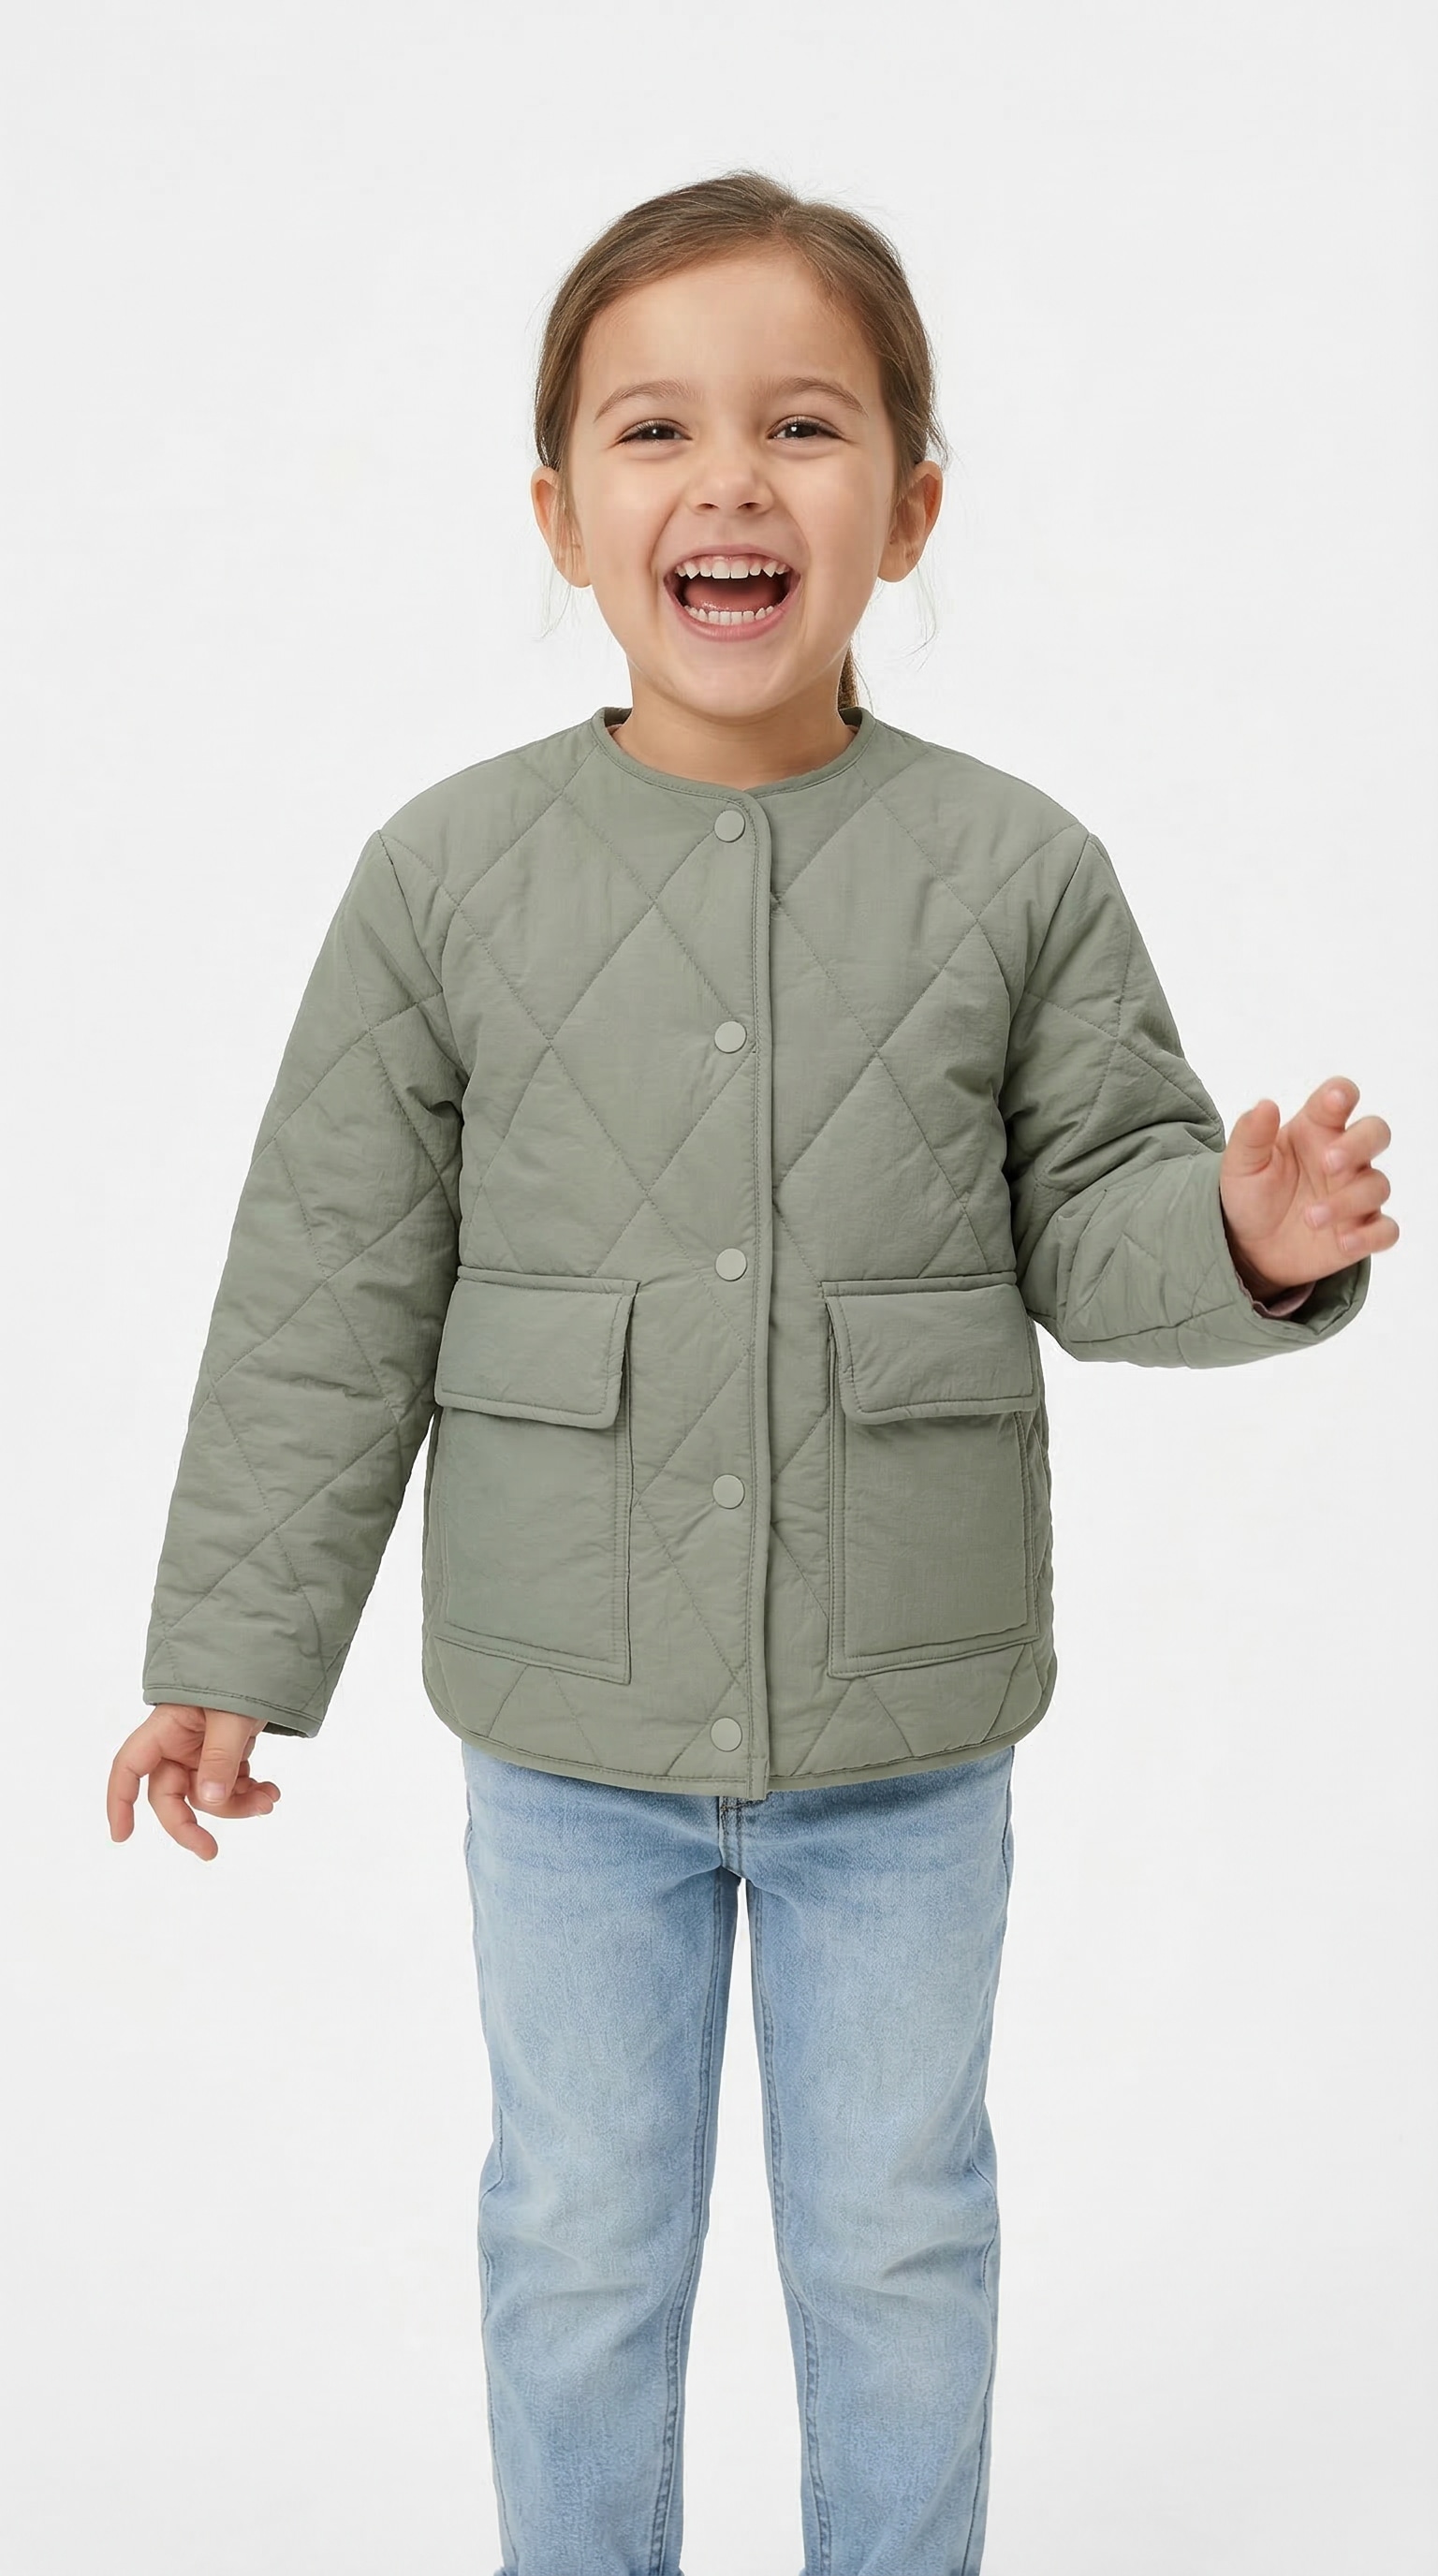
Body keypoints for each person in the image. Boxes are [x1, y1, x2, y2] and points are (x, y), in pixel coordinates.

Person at [106, 169, 1397, 2575]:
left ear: (909, 508)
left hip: (904, 1722)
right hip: (568, 1725)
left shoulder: (1016, 868)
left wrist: (1237, 1233)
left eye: (802, 426)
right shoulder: (444, 875)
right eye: (655, 429)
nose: (730, 480)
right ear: (558, 514)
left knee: (899, 2236)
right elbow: (327, 1280)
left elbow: (1096, 1207)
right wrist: (228, 1648)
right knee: (579, 2236)